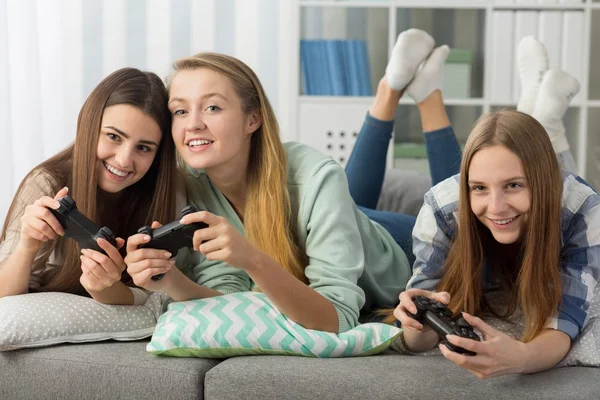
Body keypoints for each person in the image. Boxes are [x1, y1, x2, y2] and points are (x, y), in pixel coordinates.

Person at [352, 32, 599, 378]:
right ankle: (541, 121)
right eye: (479, 188)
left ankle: (544, 124)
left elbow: (565, 322)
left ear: (540, 184)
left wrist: (522, 357)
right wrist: (416, 322)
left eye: (513, 185)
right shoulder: (444, 207)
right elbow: (420, 331)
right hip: (480, 250)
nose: (495, 206)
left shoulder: (580, 209)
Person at [123, 51, 418, 334]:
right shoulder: (193, 186)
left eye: (212, 107)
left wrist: (251, 258)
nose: (194, 123)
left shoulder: (316, 177)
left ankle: (408, 96)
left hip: (400, 243)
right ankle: (390, 91)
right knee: (351, 201)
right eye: (180, 111)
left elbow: (338, 318)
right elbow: (228, 298)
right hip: (333, 220)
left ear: (253, 119)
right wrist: (169, 280)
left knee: (449, 202)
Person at [0, 67, 179, 305]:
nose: (124, 160)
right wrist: (27, 247)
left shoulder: (167, 192)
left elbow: (162, 296)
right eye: (114, 137)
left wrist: (105, 288)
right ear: (89, 127)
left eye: (143, 148)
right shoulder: (47, 181)